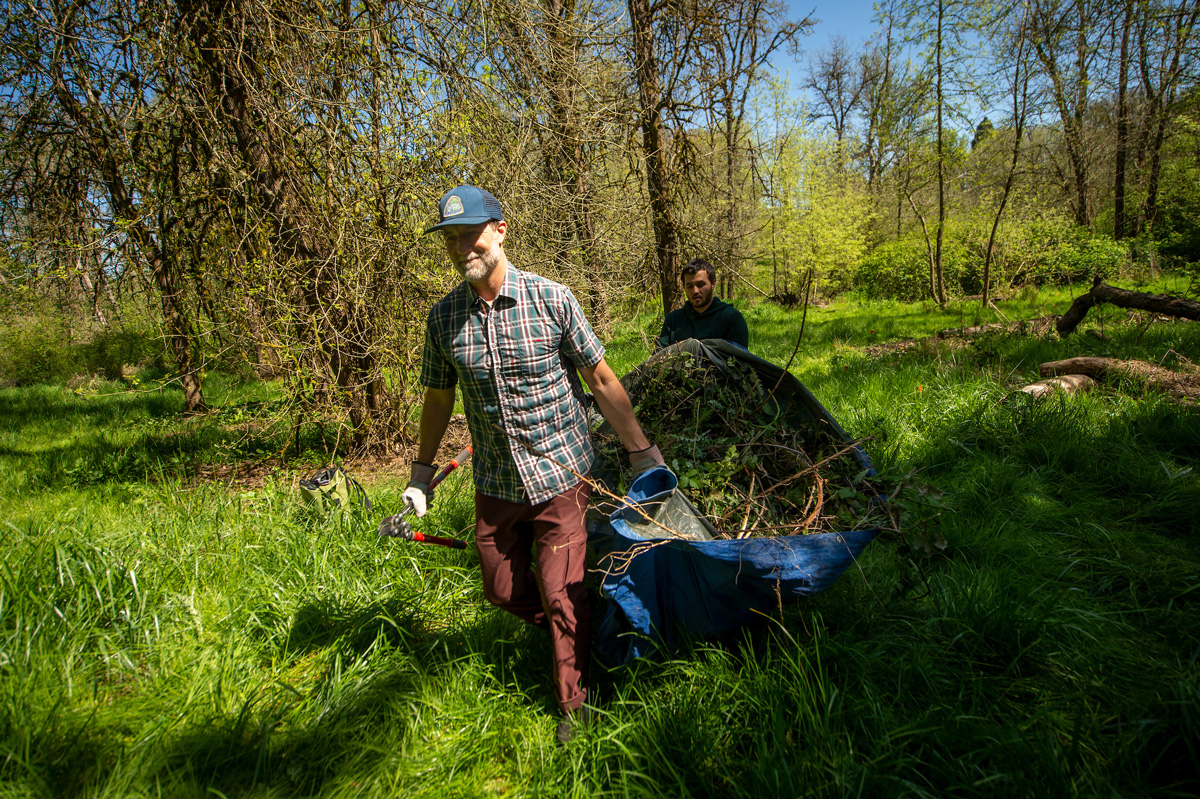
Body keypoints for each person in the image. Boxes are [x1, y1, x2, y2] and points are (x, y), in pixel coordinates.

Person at [403, 185, 665, 745]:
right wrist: (419, 477)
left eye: (469, 234)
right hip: (495, 481)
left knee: (558, 588)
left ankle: (575, 704)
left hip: (560, 475)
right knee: (499, 589)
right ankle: (575, 624)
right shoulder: (443, 319)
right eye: (450, 239)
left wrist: (642, 449)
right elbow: (437, 401)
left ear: (500, 229)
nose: (460, 248)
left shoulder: (551, 298)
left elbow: (600, 379)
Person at [656, 258, 749, 349]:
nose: (695, 291)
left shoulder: (731, 318)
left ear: (713, 284)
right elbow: (658, 360)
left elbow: (740, 361)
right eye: (690, 286)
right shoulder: (673, 320)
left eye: (700, 285)